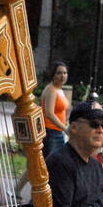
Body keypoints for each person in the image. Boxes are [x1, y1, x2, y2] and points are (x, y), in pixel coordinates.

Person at [15, 62, 70, 198]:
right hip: (50, 132)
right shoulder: (51, 90)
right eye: (59, 73)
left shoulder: (60, 90)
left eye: (64, 73)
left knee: (49, 163)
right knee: (42, 164)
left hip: (58, 132)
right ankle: (37, 194)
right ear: (53, 74)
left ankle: (44, 192)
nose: (62, 76)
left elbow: (63, 110)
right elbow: (49, 113)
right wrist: (65, 128)